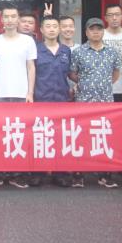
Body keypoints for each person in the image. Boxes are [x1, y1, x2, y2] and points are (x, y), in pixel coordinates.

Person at [0, 5, 37, 189]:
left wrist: (30, 92)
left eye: (13, 16)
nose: (9, 20)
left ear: (18, 19)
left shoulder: (28, 41)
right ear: (1, 20)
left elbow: (31, 67)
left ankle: (18, 174)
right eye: (6, 17)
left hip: (21, 95)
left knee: (20, 135)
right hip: (0, 95)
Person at [69, 18, 121, 189]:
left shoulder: (112, 52)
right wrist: (86, 83)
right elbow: (72, 73)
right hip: (84, 101)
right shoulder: (78, 52)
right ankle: (79, 174)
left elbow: (116, 73)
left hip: (105, 101)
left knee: (104, 136)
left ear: (103, 31)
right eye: (92, 29)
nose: (96, 32)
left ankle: (104, 174)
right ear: (86, 32)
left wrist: (103, 84)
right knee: (82, 136)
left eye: (99, 29)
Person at [31, 16, 73, 187]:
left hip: (61, 100)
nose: (51, 29)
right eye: (47, 26)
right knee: (39, 137)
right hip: (41, 98)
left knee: (60, 137)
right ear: (41, 30)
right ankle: (38, 172)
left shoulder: (66, 51)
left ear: (59, 29)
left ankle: (60, 173)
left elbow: (70, 74)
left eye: (55, 26)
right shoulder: (35, 50)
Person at [102, 4, 122, 102]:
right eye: (110, 15)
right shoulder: (100, 35)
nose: (114, 18)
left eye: (117, 14)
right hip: (105, 87)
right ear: (105, 18)